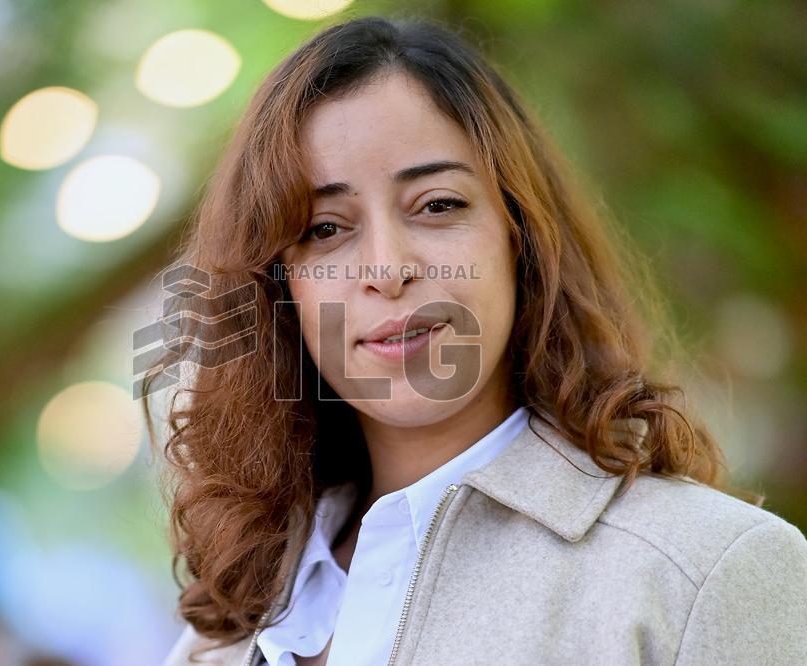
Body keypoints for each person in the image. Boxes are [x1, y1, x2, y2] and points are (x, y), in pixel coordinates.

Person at [146, 15, 807, 666]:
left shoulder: (705, 573)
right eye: (324, 229)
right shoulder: (234, 619)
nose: (387, 268)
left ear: (521, 236)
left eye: (437, 205)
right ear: (279, 287)